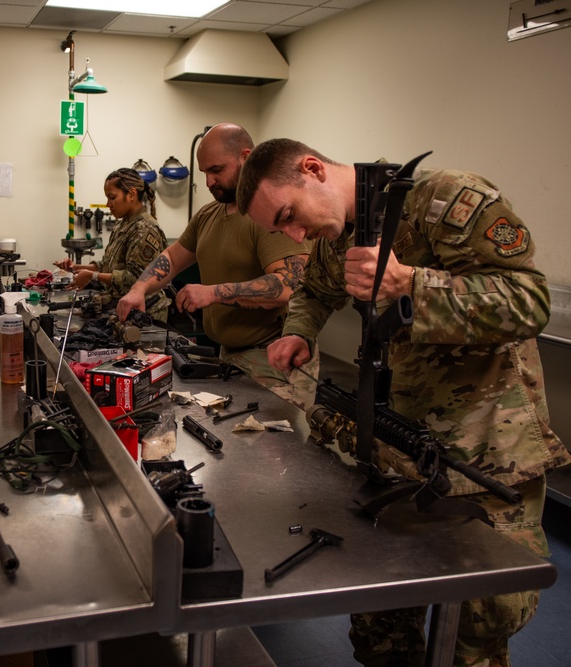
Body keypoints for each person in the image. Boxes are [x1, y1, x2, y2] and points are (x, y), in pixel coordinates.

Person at [236, 137, 570, 667]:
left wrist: (411, 282)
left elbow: (529, 302)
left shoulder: (447, 200)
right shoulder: (333, 240)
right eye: (282, 231)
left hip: (484, 452)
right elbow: (315, 291)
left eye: (289, 215)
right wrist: (300, 332)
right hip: (398, 451)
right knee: (381, 623)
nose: (295, 235)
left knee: (478, 630)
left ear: (313, 169)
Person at [116, 123, 315, 408]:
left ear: (246, 158)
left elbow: (287, 286)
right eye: (205, 173)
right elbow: (171, 259)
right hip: (228, 355)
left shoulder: (272, 214)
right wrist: (139, 288)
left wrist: (212, 293)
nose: (208, 181)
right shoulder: (209, 214)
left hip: (273, 360)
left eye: (216, 170)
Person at [54, 168, 172, 321]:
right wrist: (76, 268)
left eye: (112, 197)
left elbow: (134, 279)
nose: (108, 204)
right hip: (124, 309)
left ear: (131, 194)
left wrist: (92, 276)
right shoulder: (123, 225)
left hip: (146, 314)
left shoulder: (144, 229)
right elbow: (107, 265)